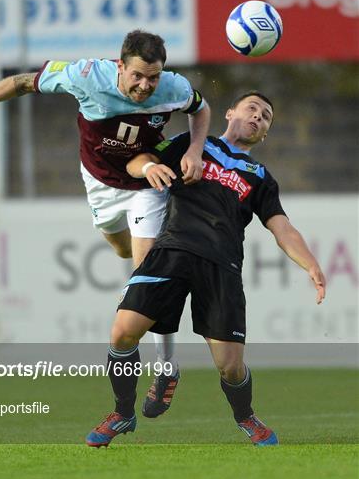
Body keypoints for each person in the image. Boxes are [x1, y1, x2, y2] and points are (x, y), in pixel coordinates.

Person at [0, 29, 211, 417]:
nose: (145, 86)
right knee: (120, 249)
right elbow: (20, 83)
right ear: (120, 65)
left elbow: (200, 110)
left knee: (147, 273)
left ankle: (166, 368)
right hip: (100, 181)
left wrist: (196, 151)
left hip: (146, 179)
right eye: (137, 76)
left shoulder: (173, 86)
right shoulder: (86, 76)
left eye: (153, 77)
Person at [85, 92, 326, 448]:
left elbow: (282, 227)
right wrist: (150, 168)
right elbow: (142, 160)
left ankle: (245, 417)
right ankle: (122, 413)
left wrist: (311, 264)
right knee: (122, 333)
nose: (258, 117)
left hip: (222, 265)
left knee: (230, 366)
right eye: (252, 109)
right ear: (230, 113)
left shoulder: (259, 176)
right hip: (172, 250)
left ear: (265, 134)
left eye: (266, 117)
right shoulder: (193, 144)